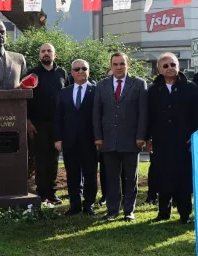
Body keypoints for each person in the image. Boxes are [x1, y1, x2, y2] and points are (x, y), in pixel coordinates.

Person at [146, 53, 198, 224]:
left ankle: (185, 214)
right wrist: (148, 138)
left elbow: (197, 115)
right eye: (165, 66)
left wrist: (194, 136)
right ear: (159, 69)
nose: (170, 68)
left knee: (183, 178)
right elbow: (149, 116)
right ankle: (163, 212)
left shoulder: (190, 87)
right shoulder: (153, 90)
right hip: (161, 140)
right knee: (163, 175)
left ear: (178, 66)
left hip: (184, 140)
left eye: (173, 64)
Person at [93, 52, 148, 221]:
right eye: (115, 64)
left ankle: (129, 210)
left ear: (127, 65)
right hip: (108, 139)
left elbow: (143, 113)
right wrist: (98, 137)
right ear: (111, 66)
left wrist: (141, 136)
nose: (118, 67)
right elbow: (97, 113)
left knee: (130, 178)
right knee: (111, 178)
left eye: (122, 64)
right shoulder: (101, 85)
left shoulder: (139, 84)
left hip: (131, 140)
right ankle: (112, 210)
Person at [54, 59, 97, 215]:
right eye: (77, 69)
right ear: (72, 72)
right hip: (69, 140)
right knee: (72, 175)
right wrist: (58, 139)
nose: (80, 71)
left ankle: (89, 204)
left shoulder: (96, 90)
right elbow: (58, 117)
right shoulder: (64, 92)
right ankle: (75, 205)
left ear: (88, 71)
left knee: (90, 174)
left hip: (91, 140)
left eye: (84, 68)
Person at [27, 43, 67, 206]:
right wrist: (28, 120)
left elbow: (67, 95)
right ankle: (42, 193)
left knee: (54, 158)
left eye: (49, 51)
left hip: (58, 124)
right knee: (41, 159)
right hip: (38, 124)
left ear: (54, 55)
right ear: (39, 55)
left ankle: (52, 193)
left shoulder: (62, 73)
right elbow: (26, 98)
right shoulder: (31, 74)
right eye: (43, 51)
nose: (46, 53)